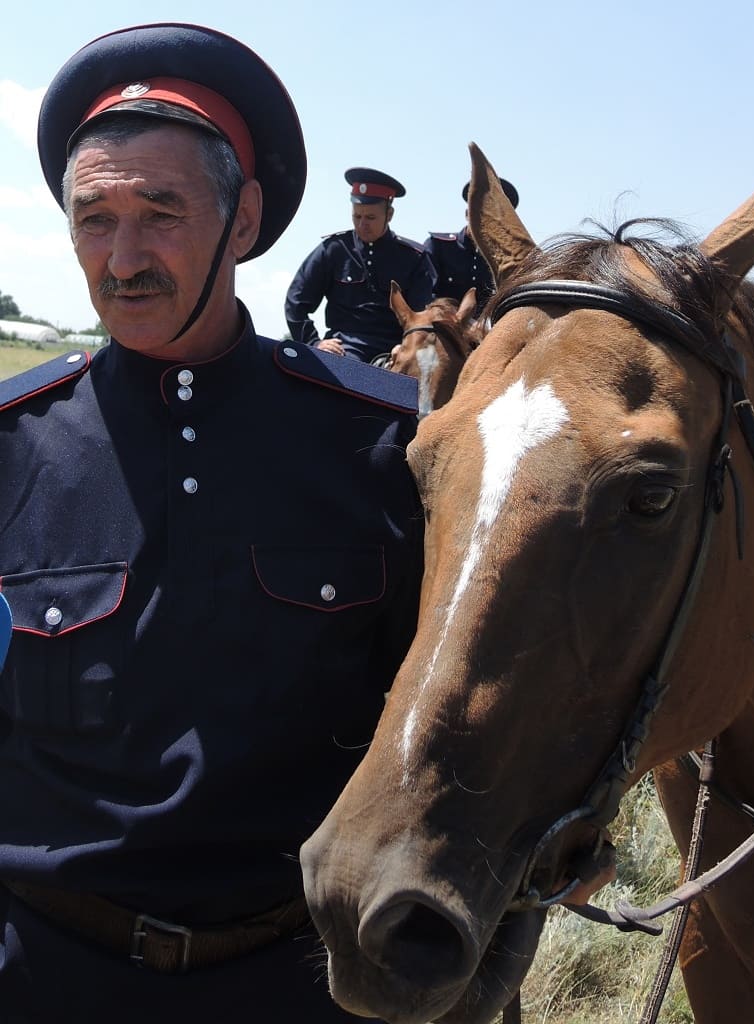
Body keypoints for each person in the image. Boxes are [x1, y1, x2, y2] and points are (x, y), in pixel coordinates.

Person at [0, 23, 423, 1024]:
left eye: (162, 212)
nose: (124, 255)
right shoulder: (13, 448)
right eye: (93, 217)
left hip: (301, 980)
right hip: (40, 973)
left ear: (242, 222)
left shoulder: (383, 445)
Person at [285, 168, 436, 362]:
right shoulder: (334, 249)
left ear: (389, 214)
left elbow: (421, 316)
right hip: (344, 348)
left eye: (371, 218)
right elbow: (296, 301)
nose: (362, 224)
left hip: (396, 350)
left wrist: (409, 345)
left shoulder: (414, 259)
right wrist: (314, 342)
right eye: (357, 216)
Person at [424, 177, 520, 312]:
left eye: (496, 218)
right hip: (443, 326)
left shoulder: (509, 259)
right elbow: (425, 296)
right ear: (468, 214)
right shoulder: (439, 246)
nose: (487, 222)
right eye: (481, 214)